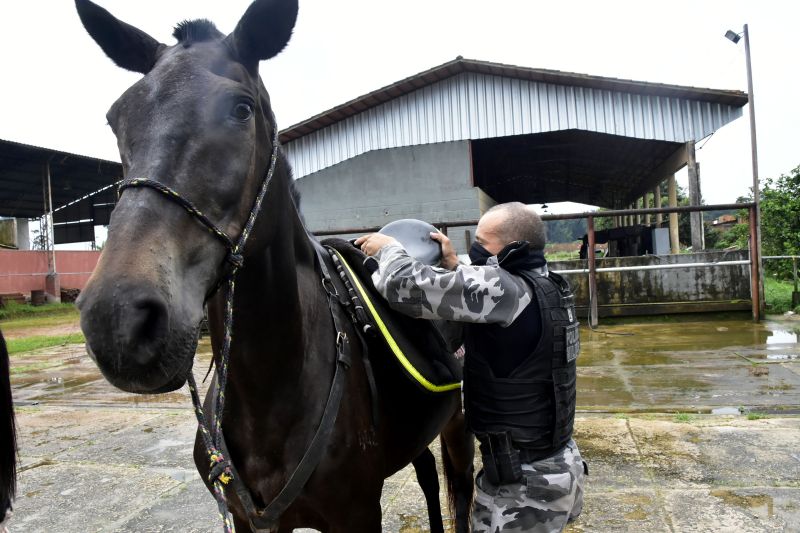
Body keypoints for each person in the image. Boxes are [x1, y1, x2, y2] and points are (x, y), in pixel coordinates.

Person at [355, 202, 585, 533]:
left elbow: (403, 285)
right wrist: (455, 264)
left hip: (523, 488)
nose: (474, 247)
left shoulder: (504, 290)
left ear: (511, 248)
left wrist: (389, 248)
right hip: (561, 465)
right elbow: (490, 289)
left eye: (482, 241)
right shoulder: (550, 284)